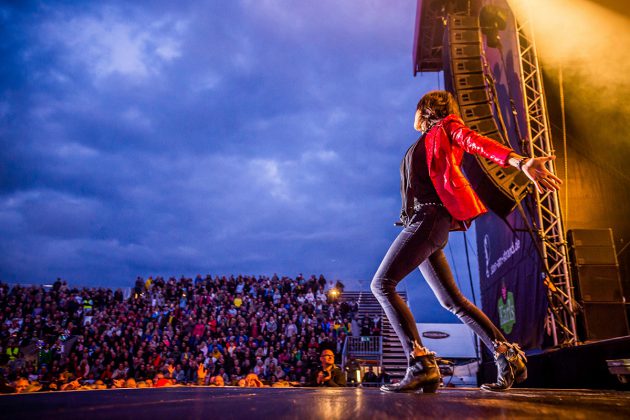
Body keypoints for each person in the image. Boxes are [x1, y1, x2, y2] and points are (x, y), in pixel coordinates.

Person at [371, 90, 561, 393]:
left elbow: (477, 143)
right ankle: (506, 356)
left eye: (417, 108)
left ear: (426, 109)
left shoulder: (448, 127)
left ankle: (419, 362)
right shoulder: (425, 140)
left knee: (381, 285)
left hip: (430, 219)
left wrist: (519, 162)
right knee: (453, 301)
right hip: (422, 221)